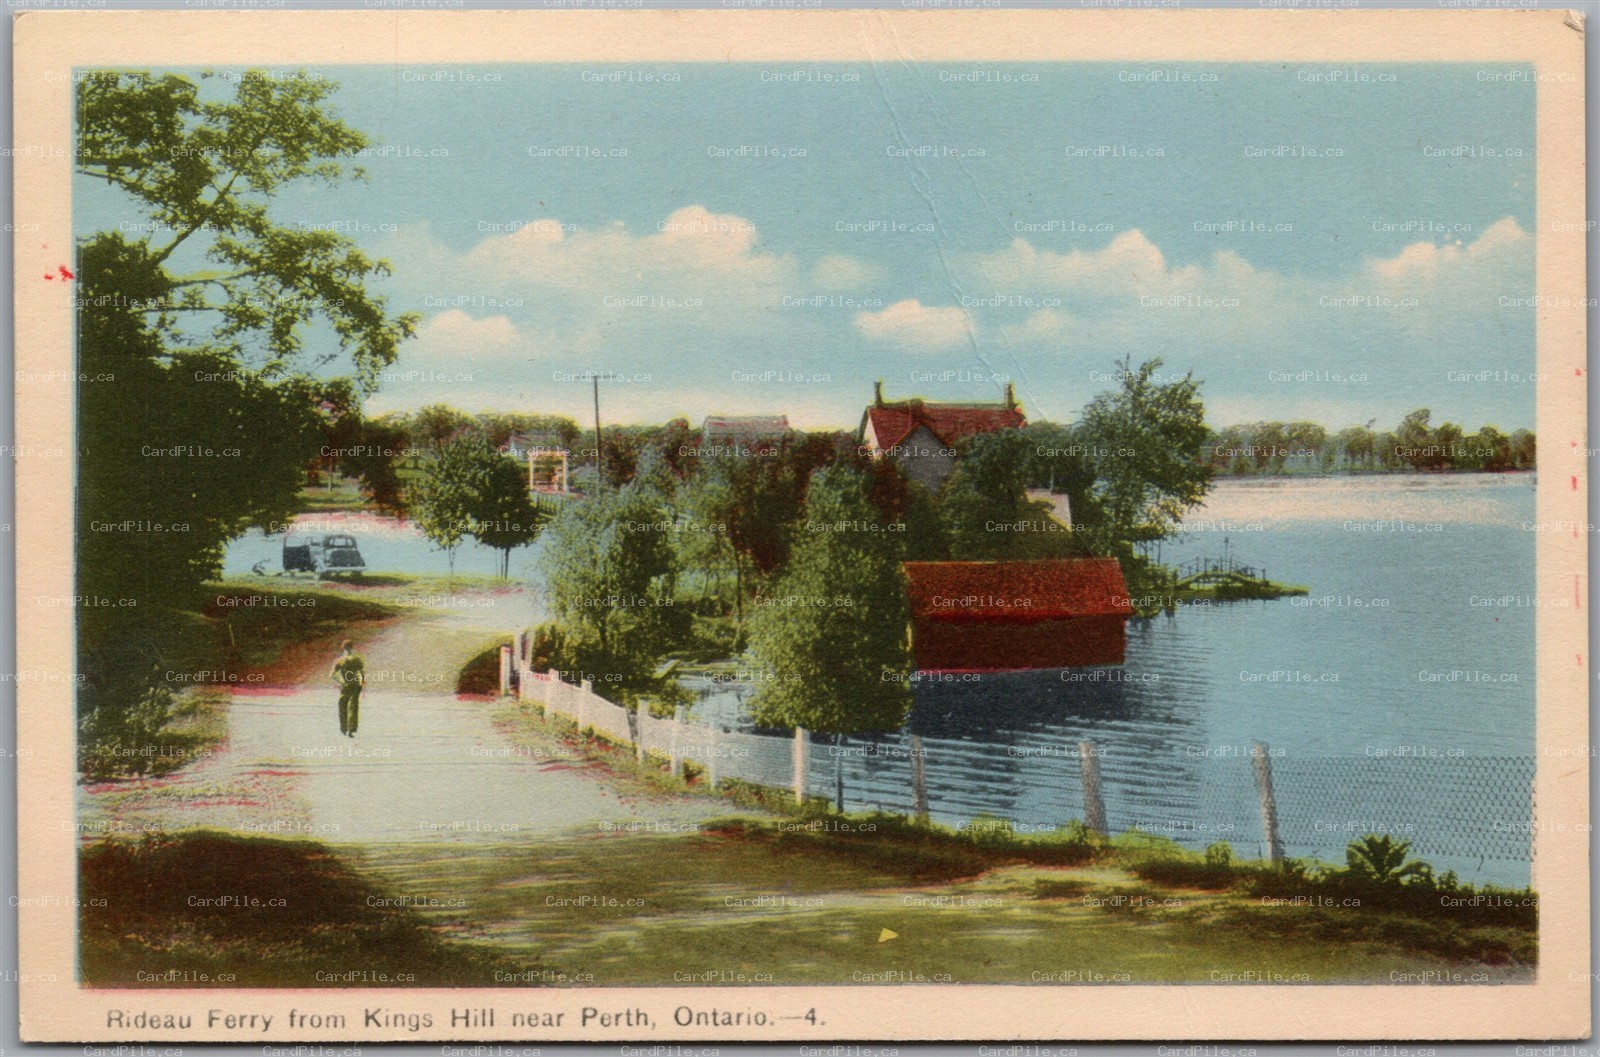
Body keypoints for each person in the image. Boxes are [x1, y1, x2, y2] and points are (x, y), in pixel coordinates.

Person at [331, 639, 366, 737]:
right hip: (355, 685)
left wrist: (340, 682)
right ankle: (351, 730)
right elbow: (362, 673)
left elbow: (332, 675)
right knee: (353, 707)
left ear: (343, 648)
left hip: (344, 686)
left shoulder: (338, 660)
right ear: (352, 647)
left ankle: (343, 729)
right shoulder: (356, 659)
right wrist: (362, 683)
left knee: (342, 706)